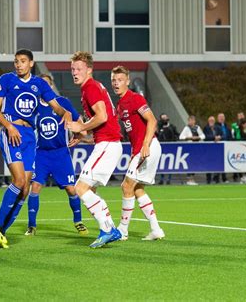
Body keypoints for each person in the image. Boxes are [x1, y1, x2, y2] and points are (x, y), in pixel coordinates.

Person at [0, 48, 72, 249]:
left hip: (29, 136)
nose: (18, 65)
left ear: (31, 63)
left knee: (25, 189)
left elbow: (56, 106)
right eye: (16, 61)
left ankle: (1, 231)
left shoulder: (40, 84)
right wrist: (9, 127)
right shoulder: (6, 80)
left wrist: (66, 114)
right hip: (12, 132)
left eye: (23, 61)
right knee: (18, 181)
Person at [66, 51, 122, 248]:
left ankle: (108, 229)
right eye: (72, 69)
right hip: (106, 143)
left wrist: (80, 127)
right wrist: (84, 138)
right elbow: (102, 125)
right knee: (89, 189)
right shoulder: (91, 88)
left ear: (89, 70)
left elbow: (103, 116)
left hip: (109, 145)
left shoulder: (90, 87)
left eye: (78, 69)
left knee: (80, 188)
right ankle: (108, 228)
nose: (74, 72)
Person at [25, 74, 88, 236]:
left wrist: (80, 134)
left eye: (46, 84)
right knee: (36, 186)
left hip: (61, 153)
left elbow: (77, 118)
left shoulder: (63, 103)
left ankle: (78, 221)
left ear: (51, 87)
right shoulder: (34, 106)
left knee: (71, 189)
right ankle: (31, 225)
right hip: (41, 154)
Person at [112, 66, 165, 241]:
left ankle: (123, 230)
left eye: (120, 80)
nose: (116, 83)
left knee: (126, 186)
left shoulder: (135, 98)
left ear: (128, 81)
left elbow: (152, 120)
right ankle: (156, 229)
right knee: (137, 189)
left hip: (148, 147)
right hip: (140, 149)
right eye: (114, 80)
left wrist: (145, 145)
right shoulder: (120, 104)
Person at [179, 115, 205, 185]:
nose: (191, 122)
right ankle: (189, 179)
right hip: (189, 148)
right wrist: (189, 138)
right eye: (190, 120)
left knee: (194, 163)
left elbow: (203, 136)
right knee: (189, 163)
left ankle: (192, 179)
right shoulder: (186, 128)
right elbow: (181, 137)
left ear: (194, 121)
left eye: (192, 120)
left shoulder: (197, 127)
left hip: (196, 148)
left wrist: (197, 137)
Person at [156, 113, 179, 185]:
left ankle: (169, 179)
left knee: (170, 162)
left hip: (171, 147)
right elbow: (157, 136)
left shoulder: (172, 127)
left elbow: (177, 135)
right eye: (163, 118)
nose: (165, 119)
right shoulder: (159, 128)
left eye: (165, 117)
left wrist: (174, 140)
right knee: (162, 162)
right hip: (161, 147)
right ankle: (162, 179)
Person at [203, 116, 223, 184]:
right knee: (208, 163)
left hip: (217, 149)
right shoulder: (206, 128)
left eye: (213, 121)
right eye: (210, 121)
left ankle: (217, 179)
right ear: (208, 121)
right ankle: (208, 179)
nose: (211, 122)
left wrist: (219, 137)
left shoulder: (218, 127)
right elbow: (205, 137)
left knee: (218, 163)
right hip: (209, 149)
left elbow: (223, 135)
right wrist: (214, 138)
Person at [215, 113, 231, 183]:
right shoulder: (215, 126)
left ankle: (224, 178)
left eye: (223, 117)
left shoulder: (226, 126)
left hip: (227, 146)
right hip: (219, 146)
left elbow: (228, 136)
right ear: (217, 118)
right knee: (219, 162)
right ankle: (217, 178)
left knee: (225, 162)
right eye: (220, 117)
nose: (221, 118)